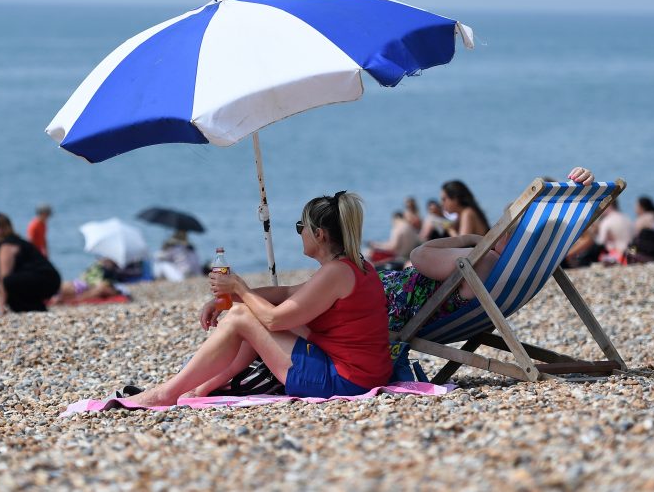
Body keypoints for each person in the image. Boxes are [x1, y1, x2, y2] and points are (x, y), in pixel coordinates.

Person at [126, 191, 392, 407]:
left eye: (301, 226)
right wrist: (229, 298)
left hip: (344, 381)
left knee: (246, 316)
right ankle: (199, 388)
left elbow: (274, 320)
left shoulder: (336, 272)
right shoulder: (353, 267)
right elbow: (288, 293)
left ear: (319, 234)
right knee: (249, 312)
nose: (299, 232)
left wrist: (241, 289)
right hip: (359, 373)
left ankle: (166, 393)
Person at [383, 167, 594, 331]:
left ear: (508, 234)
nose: (495, 228)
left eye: (500, 224)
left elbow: (418, 255)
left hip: (391, 301)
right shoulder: (518, 268)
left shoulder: (483, 261)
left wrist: (469, 239)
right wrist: (577, 186)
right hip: (429, 309)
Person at [0, 212, 61, 313]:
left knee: (7, 281)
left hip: (48, 279)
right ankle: (32, 307)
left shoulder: (8, 244)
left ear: (1, 229)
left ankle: (32, 306)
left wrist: (1, 306)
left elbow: (3, 277)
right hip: (36, 278)